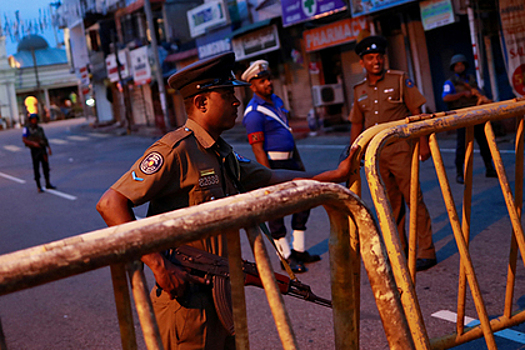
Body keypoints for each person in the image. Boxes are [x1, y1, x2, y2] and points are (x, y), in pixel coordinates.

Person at [96, 52, 352, 350]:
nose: (236, 102)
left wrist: (335, 175)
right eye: (227, 94)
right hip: (186, 299)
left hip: (220, 289)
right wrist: (158, 265)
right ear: (202, 102)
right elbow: (110, 203)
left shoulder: (222, 153)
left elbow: (272, 178)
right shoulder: (175, 150)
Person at [348, 35, 437, 272]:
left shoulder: (399, 80)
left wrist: (424, 144)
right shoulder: (359, 90)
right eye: (370, 58)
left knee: (414, 200)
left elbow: (416, 111)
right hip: (376, 156)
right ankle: (400, 250)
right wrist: (353, 155)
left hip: (402, 152)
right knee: (390, 204)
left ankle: (426, 251)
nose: (375, 61)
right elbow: (356, 123)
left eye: (378, 57)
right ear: (362, 63)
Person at [240, 60, 320, 274]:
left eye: (268, 79)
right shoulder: (254, 113)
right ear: (252, 86)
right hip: (273, 164)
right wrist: (269, 175)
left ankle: (299, 250)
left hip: (291, 159)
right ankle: (286, 256)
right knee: (276, 210)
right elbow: (258, 149)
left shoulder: (275, 101)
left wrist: (299, 163)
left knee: (305, 201)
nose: (268, 83)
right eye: (262, 81)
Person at [442, 54, 497, 184]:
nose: (460, 67)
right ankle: (459, 173)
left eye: (462, 64)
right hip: (461, 117)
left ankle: (489, 168)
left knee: (484, 143)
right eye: (457, 65)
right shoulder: (450, 83)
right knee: (462, 146)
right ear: (453, 67)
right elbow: (445, 97)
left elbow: (479, 92)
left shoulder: (471, 80)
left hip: (475, 115)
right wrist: (462, 94)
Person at [22, 114, 56, 192]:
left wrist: (48, 148)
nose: (34, 121)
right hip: (35, 150)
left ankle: (48, 183)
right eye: (33, 119)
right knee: (36, 167)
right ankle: (38, 186)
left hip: (42, 149)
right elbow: (24, 139)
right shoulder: (27, 128)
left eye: (35, 119)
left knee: (46, 167)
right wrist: (33, 144)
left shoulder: (40, 128)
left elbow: (44, 138)